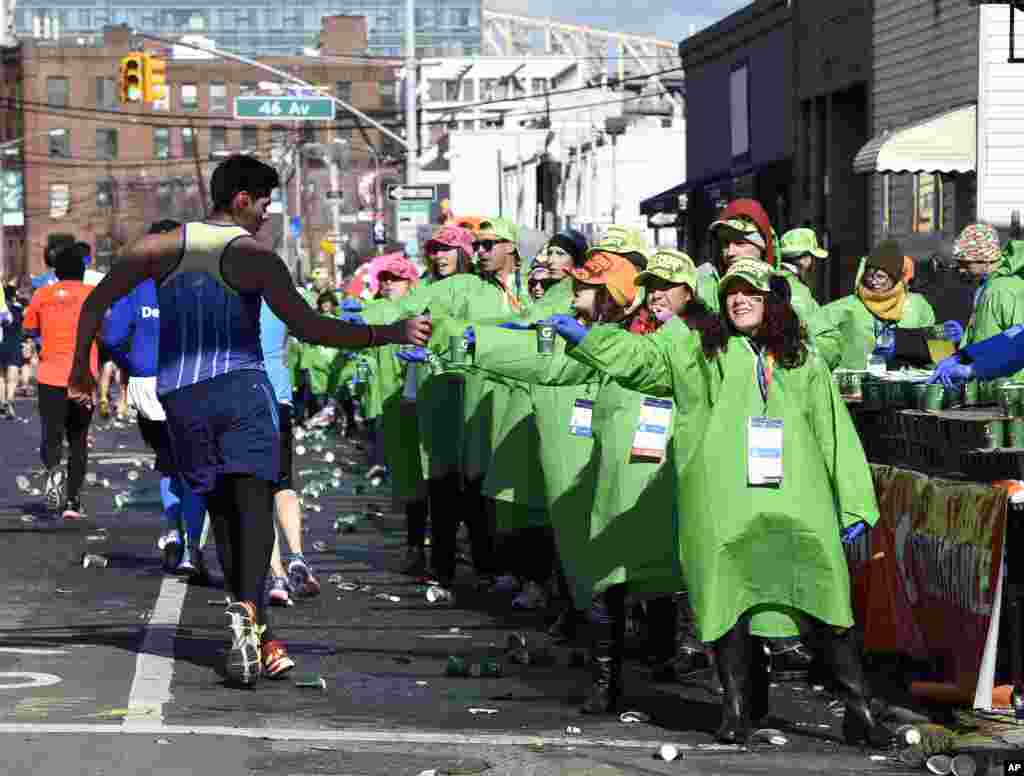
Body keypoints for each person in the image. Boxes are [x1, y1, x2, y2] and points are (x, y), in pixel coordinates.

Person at [66, 154, 431, 688]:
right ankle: (250, 612)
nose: (266, 214)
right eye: (264, 203)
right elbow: (311, 328)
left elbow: (94, 303)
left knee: (221, 509)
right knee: (253, 508)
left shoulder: (156, 248)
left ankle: (252, 620)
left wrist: (80, 369)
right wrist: (392, 333)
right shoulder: (254, 257)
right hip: (241, 394)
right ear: (241, 199)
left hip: (183, 400)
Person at [558, 258, 891, 746]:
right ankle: (735, 710)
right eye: (732, 293)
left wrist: (853, 501)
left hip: (799, 497)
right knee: (725, 597)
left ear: (771, 301)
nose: (739, 301)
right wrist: (589, 339)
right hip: (723, 499)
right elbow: (644, 361)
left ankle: (858, 709)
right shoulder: (701, 350)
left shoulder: (803, 359)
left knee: (825, 594)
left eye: (751, 294)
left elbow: (833, 429)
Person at [101, 219, 210, 576]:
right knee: (193, 468)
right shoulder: (198, 283)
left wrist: (134, 366)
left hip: (148, 386)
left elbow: (113, 337)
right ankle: (192, 550)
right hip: (190, 383)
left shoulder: (135, 286)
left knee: (168, 463)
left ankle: (173, 532)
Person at [702, 200, 842, 369]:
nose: (730, 252)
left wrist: (787, 350)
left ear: (763, 247)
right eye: (725, 244)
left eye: (740, 243)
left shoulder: (790, 289)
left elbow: (831, 345)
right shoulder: (703, 286)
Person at [22, 241, 99, 518]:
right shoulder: (94, 295)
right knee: (78, 440)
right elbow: (106, 332)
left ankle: (54, 471)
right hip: (82, 377)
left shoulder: (43, 294)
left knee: (51, 435)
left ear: (56, 272)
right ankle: (73, 502)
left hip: (50, 375)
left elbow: (29, 328)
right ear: (82, 271)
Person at [262, 299, 320, 607]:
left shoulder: (223, 293)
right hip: (278, 398)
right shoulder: (278, 295)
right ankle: (297, 556)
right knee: (284, 485)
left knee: (258, 493)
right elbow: (311, 329)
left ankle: (278, 576)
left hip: (241, 402)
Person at [822, 239, 937, 372]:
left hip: (906, 387)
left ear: (894, 278)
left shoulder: (918, 306)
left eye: (880, 277)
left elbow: (934, 351)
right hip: (858, 388)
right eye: (869, 276)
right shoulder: (846, 307)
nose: (873, 282)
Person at [0, 282, 26, 418]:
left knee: (1, 376)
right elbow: (24, 327)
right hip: (14, 344)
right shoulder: (18, 309)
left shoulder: (2, 310)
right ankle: (9, 400)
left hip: (1, 344)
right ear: (14, 297)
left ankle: (2, 401)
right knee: (12, 377)